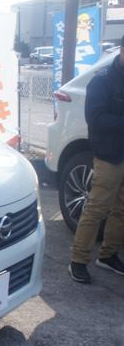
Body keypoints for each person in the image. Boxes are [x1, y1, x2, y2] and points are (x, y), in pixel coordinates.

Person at [69, 36, 124, 283]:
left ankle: (108, 255)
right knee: (96, 209)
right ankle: (78, 260)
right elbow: (95, 118)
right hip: (109, 155)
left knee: (121, 209)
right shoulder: (102, 80)